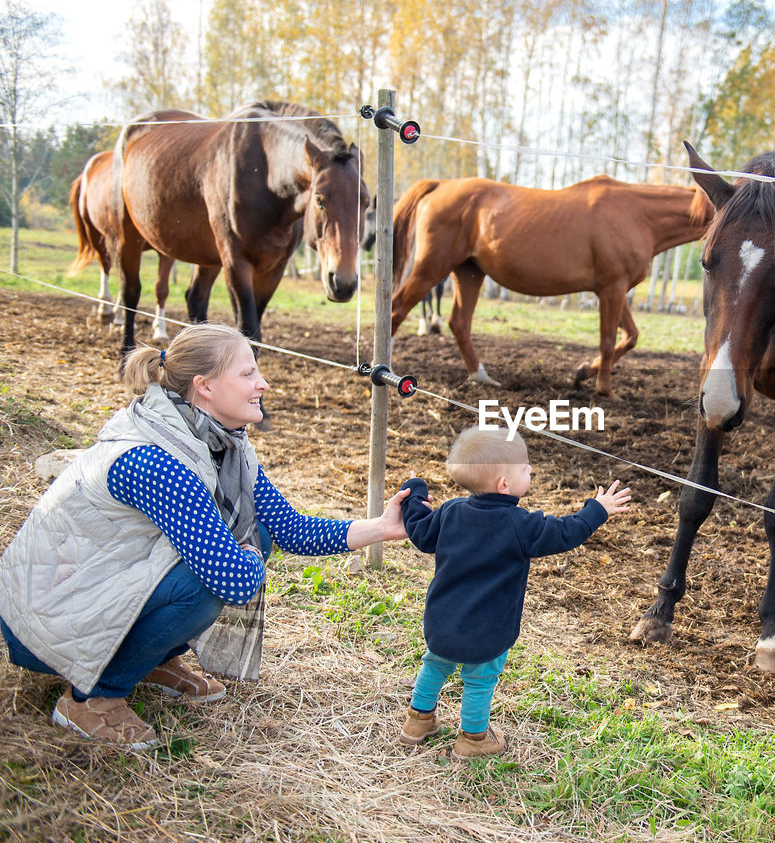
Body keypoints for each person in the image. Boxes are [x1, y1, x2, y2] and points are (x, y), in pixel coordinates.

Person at [0, 322, 410, 750]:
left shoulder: (221, 443)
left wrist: (382, 526)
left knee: (256, 533)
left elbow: (288, 527)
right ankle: (91, 701)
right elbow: (233, 580)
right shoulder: (157, 459)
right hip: (44, 621)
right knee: (206, 583)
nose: (263, 383)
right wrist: (246, 554)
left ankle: (154, 661)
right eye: (248, 373)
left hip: (92, 593)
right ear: (206, 387)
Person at [397, 425, 631, 758]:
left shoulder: (450, 511)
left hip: (443, 621)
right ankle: (473, 739)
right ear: (504, 484)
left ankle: (417, 721)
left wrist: (414, 492)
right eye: (525, 468)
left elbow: (420, 530)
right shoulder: (522, 524)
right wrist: (598, 509)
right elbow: (566, 532)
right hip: (489, 629)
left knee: (434, 665)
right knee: (479, 680)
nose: (531, 470)